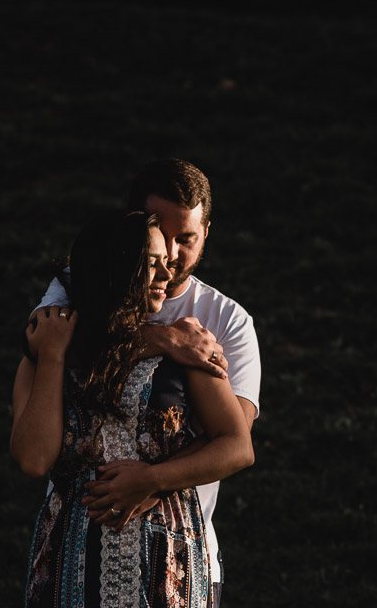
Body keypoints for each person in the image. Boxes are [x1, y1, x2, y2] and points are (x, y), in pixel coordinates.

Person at [31, 159, 262, 603]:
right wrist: (164, 338)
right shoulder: (76, 287)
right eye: (162, 234)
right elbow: (47, 342)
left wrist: (152, 479)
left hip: (177, 550)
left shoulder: (227, 322)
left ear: (207, 233)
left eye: (187, 239)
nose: (172, 256)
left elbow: (234, 436)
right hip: (73, 545)